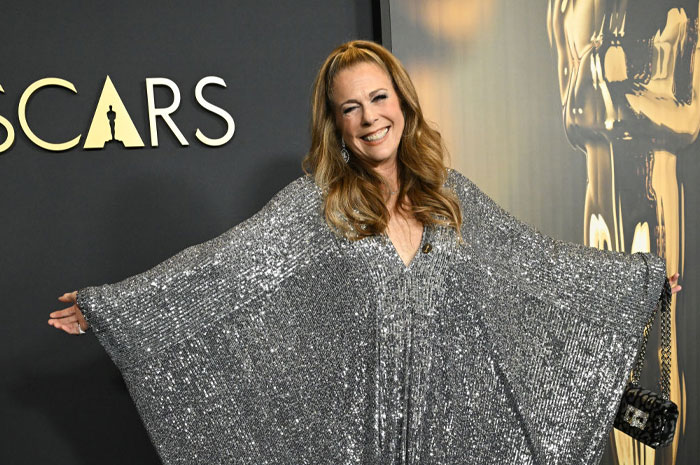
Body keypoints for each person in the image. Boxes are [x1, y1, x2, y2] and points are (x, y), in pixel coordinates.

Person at [48, 40, 681, 464]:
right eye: (350, 108)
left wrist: (640, 283)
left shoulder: (451, 197)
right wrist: (118, 310)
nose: (369, 117)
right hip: (355, 443)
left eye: (378, 98)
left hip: (457, 437)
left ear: (402, 102)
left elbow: (538, 267)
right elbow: (225, 270)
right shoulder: (317, 204)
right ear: (336, 124)